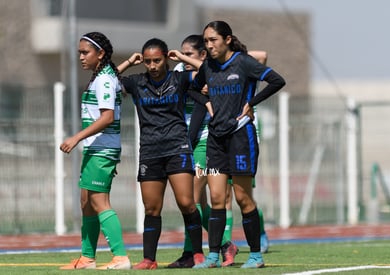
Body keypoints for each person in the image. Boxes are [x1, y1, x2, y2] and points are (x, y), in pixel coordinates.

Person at [172, 21, 285, 268]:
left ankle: (255, 254)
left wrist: (252, 102)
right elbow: (191, 89)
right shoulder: (209, 67)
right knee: (216, 198)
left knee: (243, 199)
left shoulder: (243, 62)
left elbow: (277, 80)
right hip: (215, 139)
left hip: (240, 137)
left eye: (213, 40)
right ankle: (214, 255)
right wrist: (207, 103)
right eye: (206, 41)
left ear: (228, 39)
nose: (209, 45)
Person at [117, 38, 209, 270]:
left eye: (157, 60)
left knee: (187, 203)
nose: (152, 65)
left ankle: (197, 254)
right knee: (151, 209)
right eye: (147, 61)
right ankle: (149, 259)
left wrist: (184, 58)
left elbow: (207, 70)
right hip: (150, 151)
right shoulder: (137, 82)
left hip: (177, 147)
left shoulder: (179, 79)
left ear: (166, 57)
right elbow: (104, 81)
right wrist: (129, 61)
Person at [59, 32, 131, 270]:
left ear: (100, 54)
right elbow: (112, 79)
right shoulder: (103, 76)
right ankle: (87, 258)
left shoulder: (104, 80)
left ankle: (121, 257)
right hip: (95, 149)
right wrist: (129, 62)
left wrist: (76, 137)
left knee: (100, 202)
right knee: (86, 202)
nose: (80, 57)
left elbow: (107, 117)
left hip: (102, 149)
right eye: (79, 52)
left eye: (85, 52)